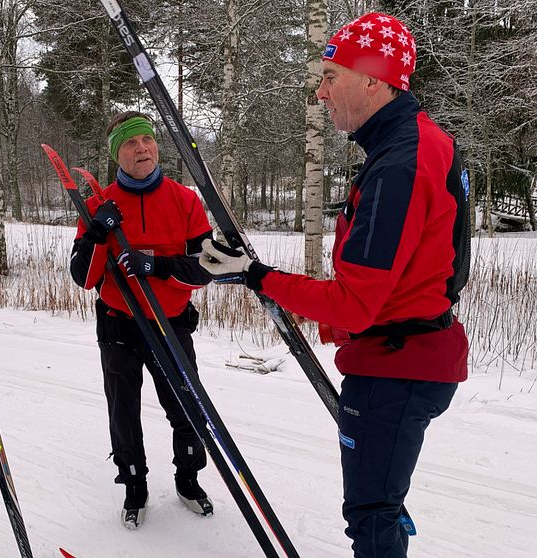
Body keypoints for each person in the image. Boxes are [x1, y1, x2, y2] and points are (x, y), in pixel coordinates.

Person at [199, 13, 471, 558]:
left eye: (330, 76)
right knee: (380, 507)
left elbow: (354, 304)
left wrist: (257, 276)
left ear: (373, 79)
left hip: (396, 368)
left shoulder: (401, 163)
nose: (321, 93)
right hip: (407, 355)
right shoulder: (417, 143)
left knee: (371, 517)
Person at [70, 111, 215, 529]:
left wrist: (157, 264)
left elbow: (205, 268)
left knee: (186, 406)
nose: (142, 149)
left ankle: (188, 479)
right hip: (119, 325)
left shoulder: (185, 199)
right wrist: (98, 232)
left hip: (171, 324)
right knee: (124, 412)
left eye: (147, 140)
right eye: (131, 144)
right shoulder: (100, 204)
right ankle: (135, 486)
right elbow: (84, 277)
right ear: (118, 153)